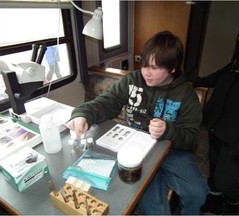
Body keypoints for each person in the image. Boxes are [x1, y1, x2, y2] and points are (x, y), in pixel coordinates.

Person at [67, 31, 209, 214]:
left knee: (197, 194)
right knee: (153, 209)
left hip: (172, 150)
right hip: (134, 149)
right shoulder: (132, 80)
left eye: (154, 68)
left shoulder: (186, 95)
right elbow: (108, 102)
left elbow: (192, 138)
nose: (146, 72)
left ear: (172, 68)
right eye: (143, 65)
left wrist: (168, 130)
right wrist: (83, 113)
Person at [190, 1, 239, 215]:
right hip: (221, 114)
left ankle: (233, 201)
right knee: (213, 166)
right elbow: (233, 68)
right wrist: (200, 80)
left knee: (224, 179)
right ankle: (214, 201)